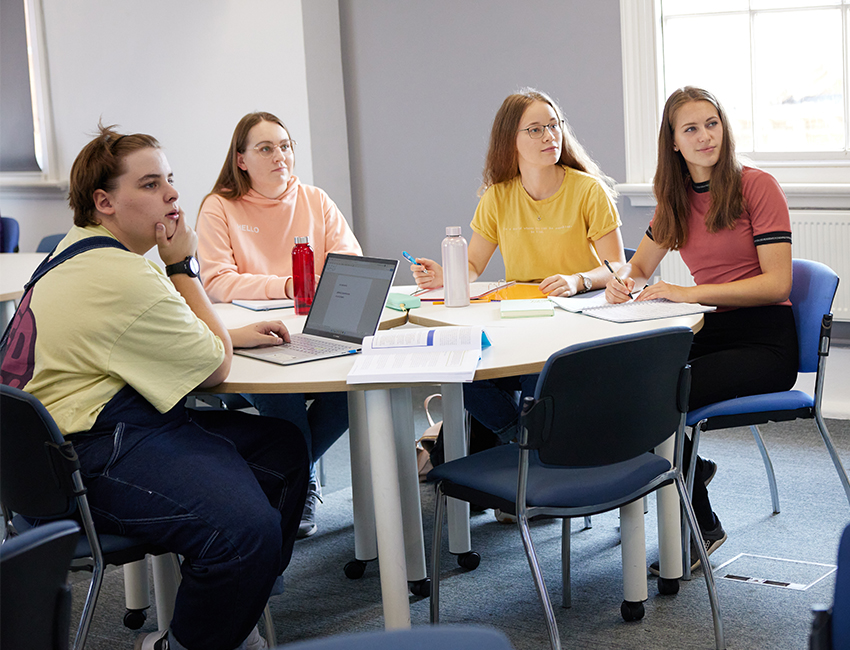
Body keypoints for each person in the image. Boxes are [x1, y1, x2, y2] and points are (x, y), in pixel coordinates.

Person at [0, 124, 309, 650]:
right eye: (149, 184)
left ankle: (230, 612)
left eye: (169, 179)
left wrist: (224, 333)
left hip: (45, 460)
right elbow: (213, 368)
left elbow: (128, 336)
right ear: (105, 202)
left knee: (279, 451)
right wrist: (181, 265)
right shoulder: (126, 275)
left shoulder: (73, 255)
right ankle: (185, 642)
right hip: (85, 460)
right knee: (244, 533)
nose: (171, 195)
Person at [605, 86, 798, 571]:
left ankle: (701, 527)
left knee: (663, 393)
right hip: (714, 329)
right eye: (691, 128)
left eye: (712, 123)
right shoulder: (674, 199)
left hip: (766, 338)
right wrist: (619, 283)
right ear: (673, 141)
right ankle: (693, 467)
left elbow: (777, 284)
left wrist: (687, 292)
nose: (705, 136)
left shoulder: (756, 185)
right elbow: (637, 269)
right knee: (630, 382)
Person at [410, 88, 625, 466]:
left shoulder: (588, 190)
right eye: (535, 129)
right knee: (457, 368)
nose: (550, 136)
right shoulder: (497, 197)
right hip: (520, 316)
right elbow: (474, 265)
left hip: (573, 316)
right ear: (511, 141)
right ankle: (524, 445)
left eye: (554, 126)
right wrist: (447, 273)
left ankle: (528, 459)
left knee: (536, 378)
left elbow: (617, 267)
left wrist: (578, 280)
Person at [196, 111, 361, 538]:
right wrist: (288, 285)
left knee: (353, 389)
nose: (279, 156)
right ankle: (298, 482)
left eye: (285, 146)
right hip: (252, 342)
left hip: (314, 332)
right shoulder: (220, 206)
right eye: (266, 148)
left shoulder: (315, 200)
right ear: (242, 159)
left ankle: (291, 474)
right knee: (282, 395)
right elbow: (216, 282)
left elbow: (351, 266)